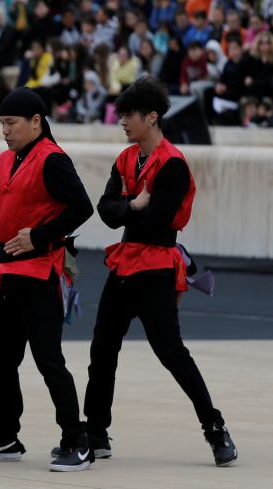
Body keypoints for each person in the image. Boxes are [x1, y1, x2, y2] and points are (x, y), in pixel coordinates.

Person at [83, 76, 237, 467]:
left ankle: (215, 427)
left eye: (128, 115)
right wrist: (132, 207)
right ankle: (96, 431)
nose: (122, 121)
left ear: (151, 118)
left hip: (154, 269)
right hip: (125, 263)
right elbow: (106, 210)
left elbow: (159, 223)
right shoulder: (126, 159)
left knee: (171, 351)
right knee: (102, 349)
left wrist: (128, 210)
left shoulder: (173, 164)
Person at [0, 87, 95, 472]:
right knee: (0, 358)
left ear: (36, 122)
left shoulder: (53, 159)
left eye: (11, 124)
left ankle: (76, 440)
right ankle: (5, 435)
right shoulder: (5, 159)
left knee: (48, 359)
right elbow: (10, 202)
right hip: (6, 273)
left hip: (39, 272)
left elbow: (82, 207)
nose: (5, 131)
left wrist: (41, 235)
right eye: (2, 124)